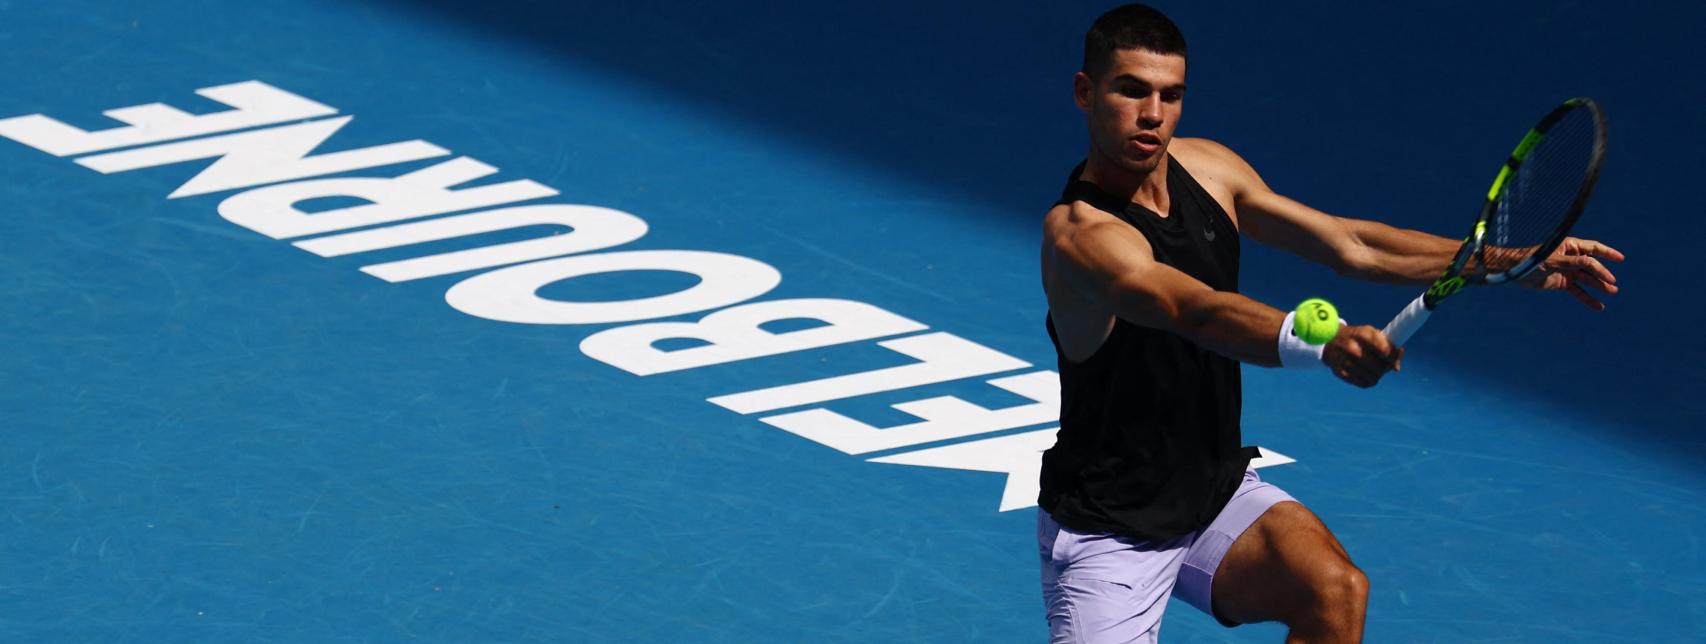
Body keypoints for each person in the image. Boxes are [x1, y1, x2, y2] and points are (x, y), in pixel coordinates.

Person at [1036, 5, 1624, 642]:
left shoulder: (1209, 167)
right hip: (1111, 528)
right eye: (1131, 90)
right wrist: (1322, 340)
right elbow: (1193, 309)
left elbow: (1352, 244)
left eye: (1170, 95)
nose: (1153, 114)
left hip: (1212, 492)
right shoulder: (1080, 235)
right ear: (1084, 92)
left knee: (1333, 589)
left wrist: (1508, 260)